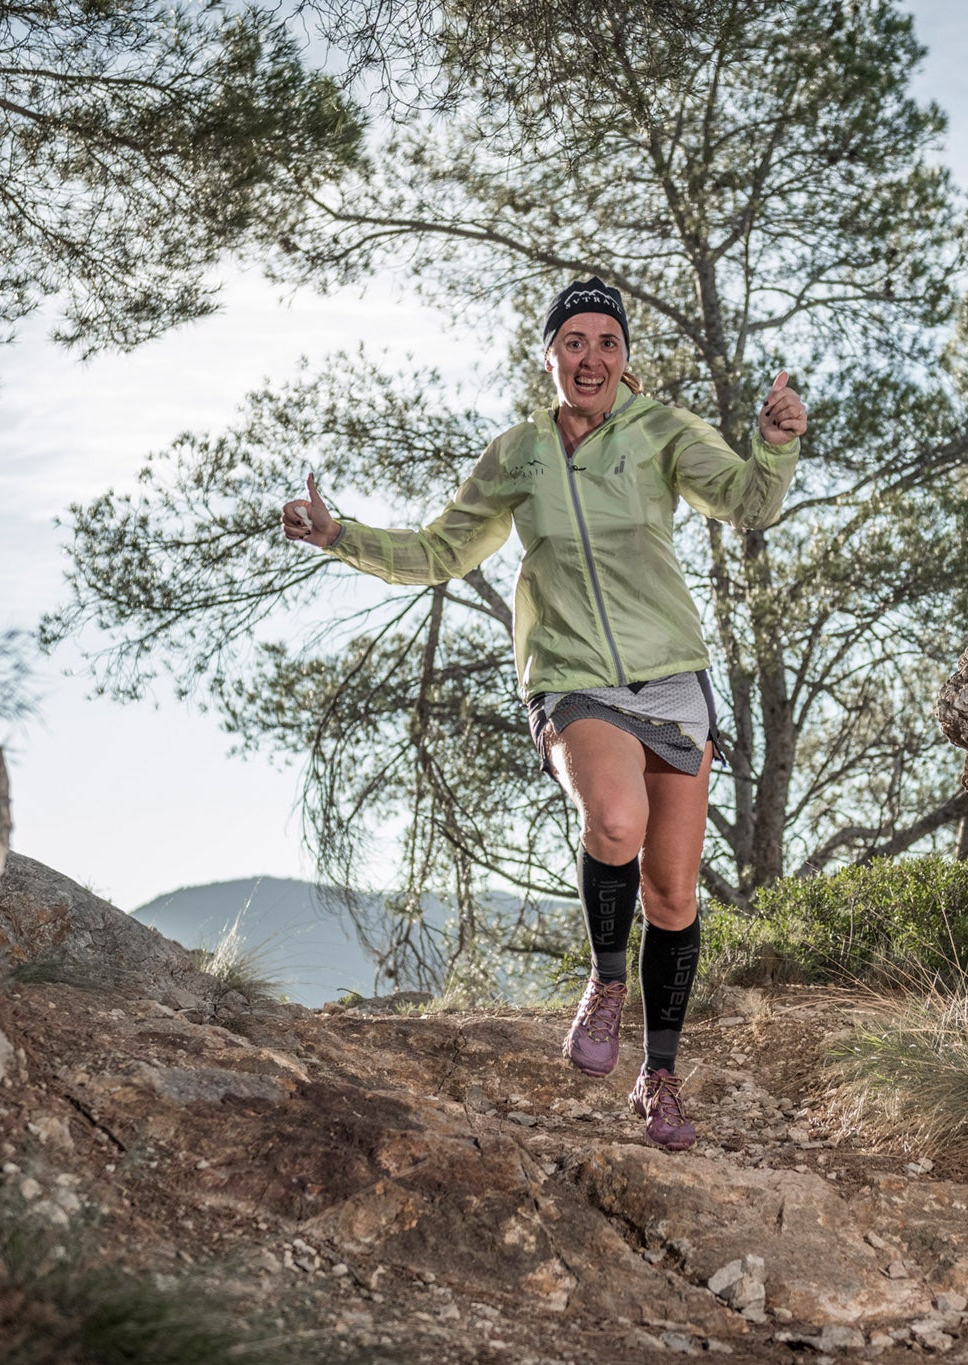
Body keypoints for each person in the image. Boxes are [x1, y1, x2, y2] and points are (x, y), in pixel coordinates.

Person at [282, 277, 807, 1151]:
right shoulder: (518, 454)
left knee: (674, 893)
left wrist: (774, 444)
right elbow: (442, 549)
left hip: (674, 683)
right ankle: (606, 983)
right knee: (614, 817)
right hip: (571, 679)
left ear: (625, 354)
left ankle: (660, 1080)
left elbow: (749, 502)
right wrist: (344, 538)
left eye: (608, 340)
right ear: (551, 355)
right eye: (575, 341)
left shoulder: (663, 433)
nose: (592, 357)